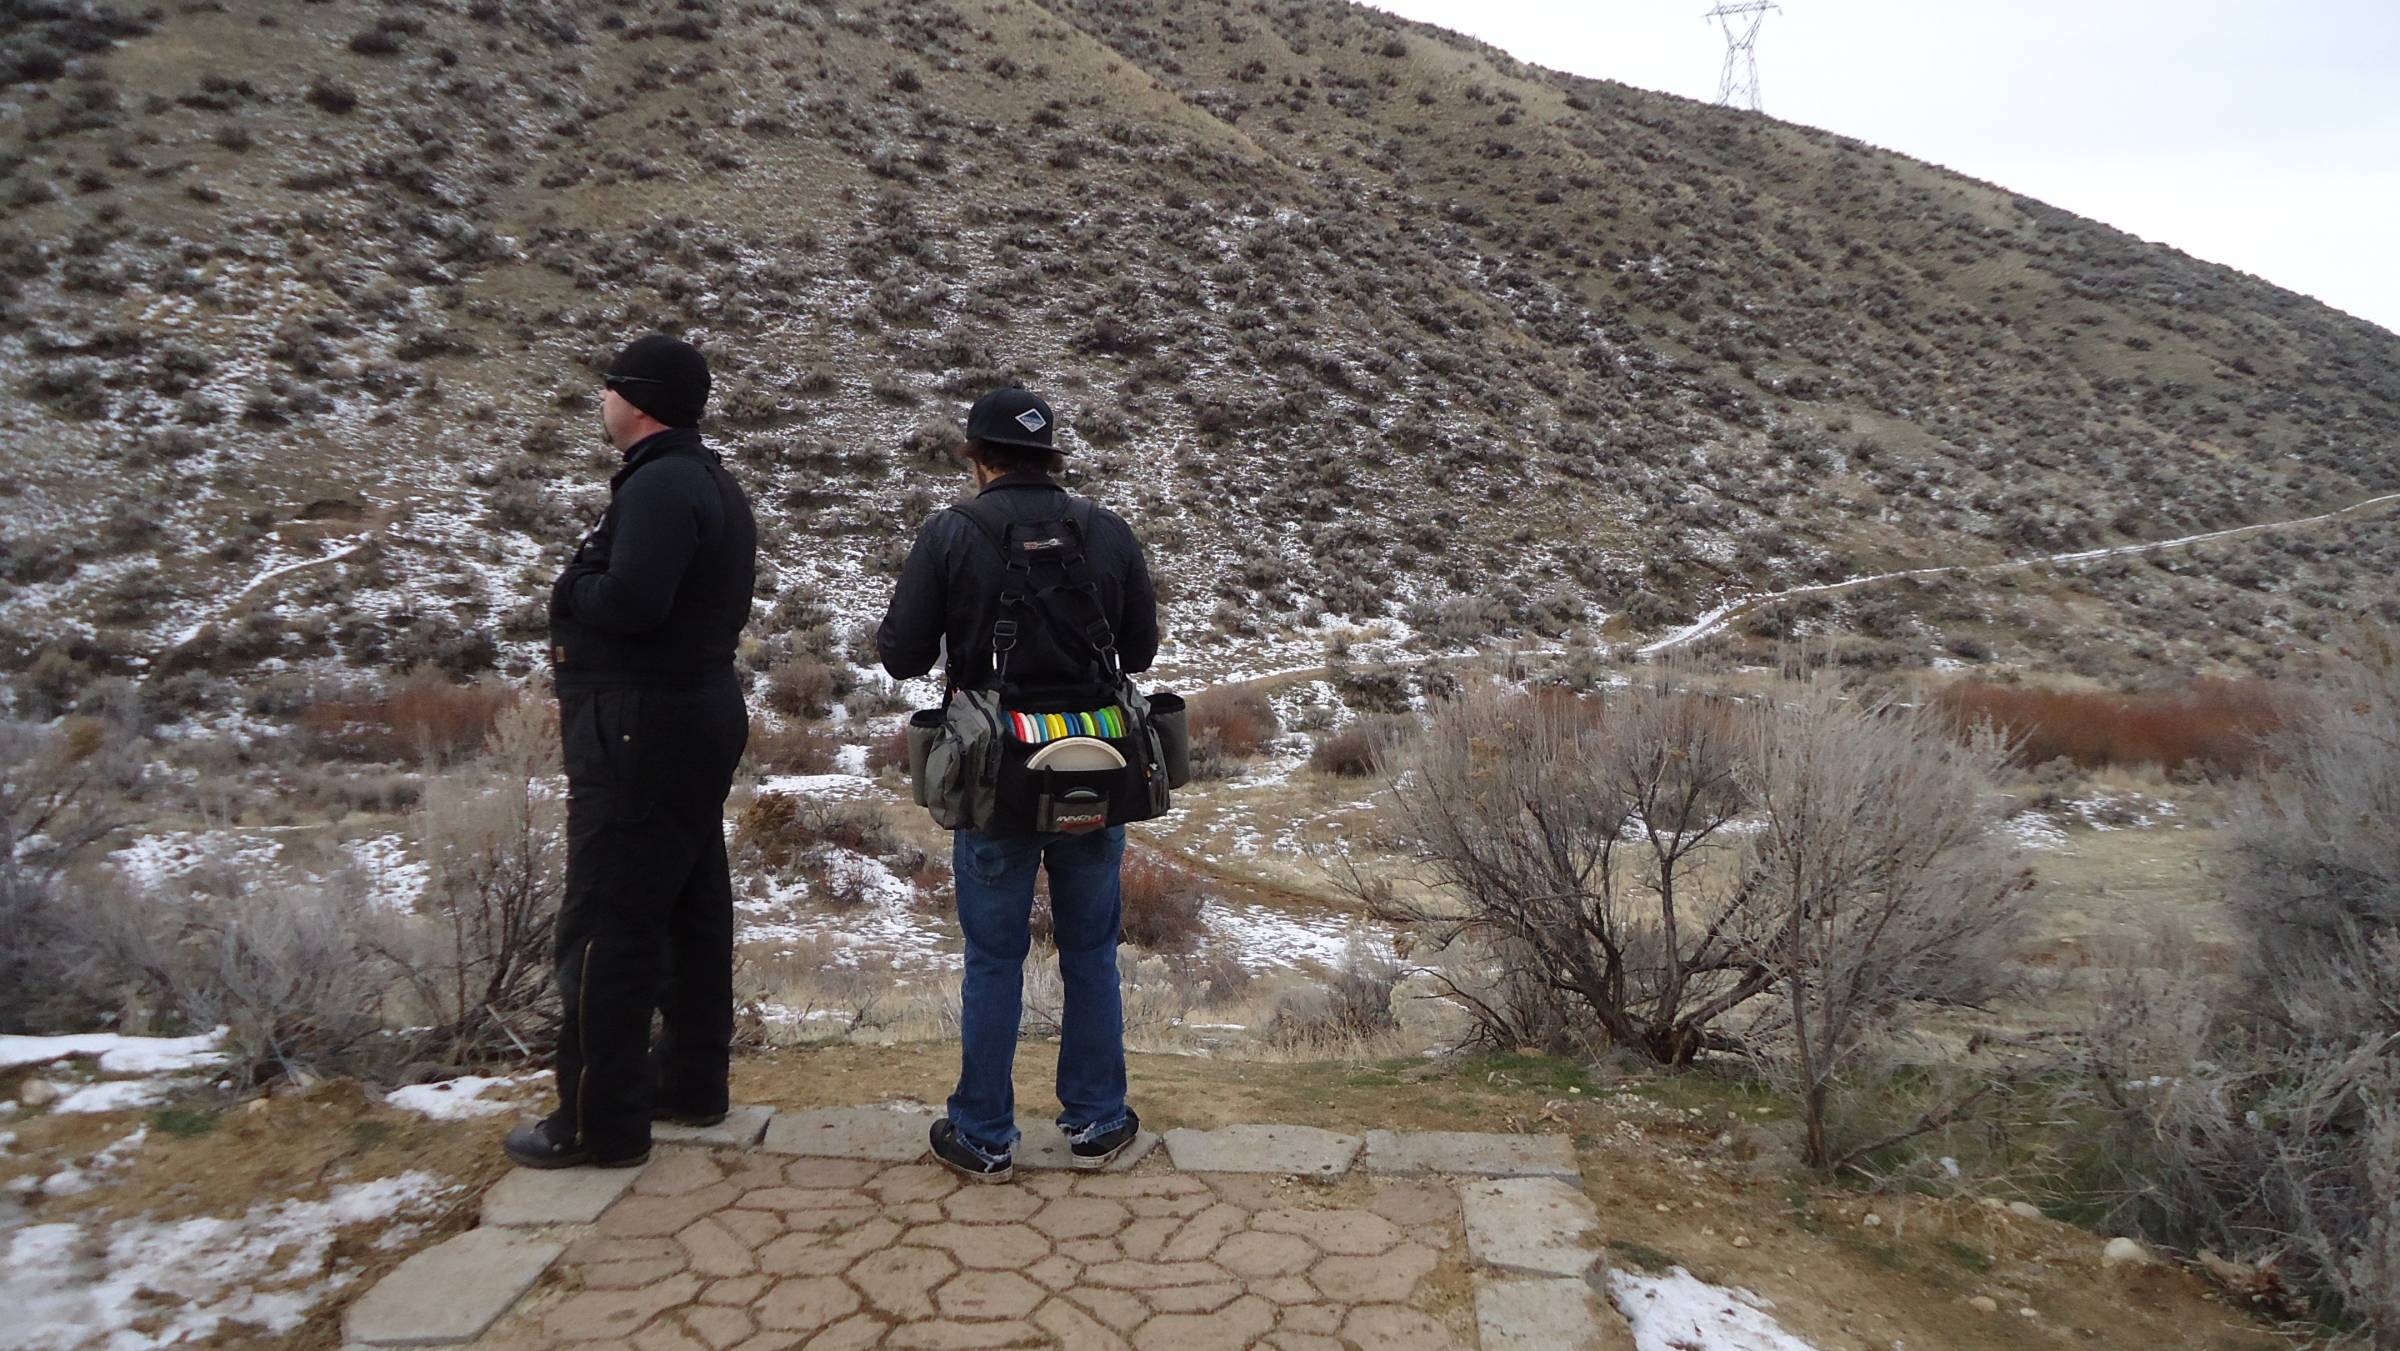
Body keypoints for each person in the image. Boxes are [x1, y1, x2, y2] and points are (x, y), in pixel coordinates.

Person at [877, 386, 1161, 1182]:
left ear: (979, 457)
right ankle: (1099, 1122)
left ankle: (983, 1134)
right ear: (1051, 455)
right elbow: (1136, 651)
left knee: (995, 957)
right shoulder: (1106, 530)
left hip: (995, 778)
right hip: (1095, 769)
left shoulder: (952, 533)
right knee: (1092, 952)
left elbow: (900, 654)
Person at [505, 334, 758, 1170]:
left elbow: (634, 600)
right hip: (692, 713)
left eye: (609, 386)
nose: (601, 399)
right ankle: (690, 1082)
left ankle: (597, 1121)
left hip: (638, 727)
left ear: (639, 399)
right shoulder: (709, 479)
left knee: (608, 918)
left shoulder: (659, 486)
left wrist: (568, 587)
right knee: (689, 903)